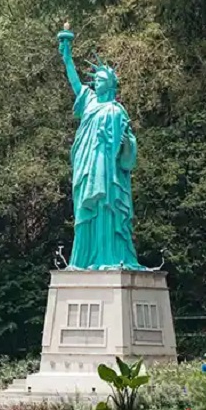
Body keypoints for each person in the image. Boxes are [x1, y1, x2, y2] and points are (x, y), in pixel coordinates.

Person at [57, 22, 146, 270]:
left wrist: (127, 143)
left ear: (110, 83)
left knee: (108, 211)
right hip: (87, 169)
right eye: (94, 79)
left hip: (109, 175)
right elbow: (76, 84)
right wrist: (67, 59)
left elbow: (126, 150)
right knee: (86, 213)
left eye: (99, 79)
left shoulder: (117, 111)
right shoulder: (89, 102)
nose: (95, 82)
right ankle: (84, 260)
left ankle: (110, 257)